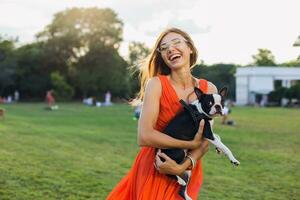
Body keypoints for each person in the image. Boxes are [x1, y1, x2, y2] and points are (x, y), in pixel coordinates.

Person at [107, 27, 218, 200]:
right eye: (164, 48)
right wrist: (187, 143)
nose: (170, 49)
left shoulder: (209, 89)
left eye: (176, 43)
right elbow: (144, 136)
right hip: (157, 166)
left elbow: (205, 141)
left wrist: (181, 168)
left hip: (187, 170)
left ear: (190, 48)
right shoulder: (156, 85)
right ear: (163, 57)